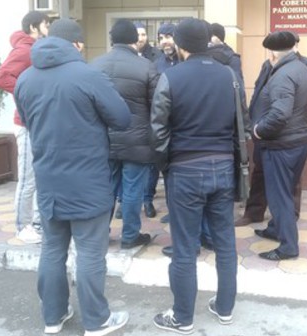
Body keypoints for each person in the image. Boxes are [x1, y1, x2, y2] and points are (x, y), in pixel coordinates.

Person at [14, 19, 131, 335]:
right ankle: (96, 321)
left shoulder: (25, 79)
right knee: (90, 252)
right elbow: (121, 118)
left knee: (53, 249)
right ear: (77, 44)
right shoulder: (89, 75)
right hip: (88, 181)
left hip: (49, 181)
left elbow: (26, 120)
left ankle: (53, 317)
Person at [150, 18, 240, 334]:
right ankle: (225, 307)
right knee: (225, 241)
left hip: (185, 170)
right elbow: (239, 121)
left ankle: (182, 316)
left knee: (185, 246)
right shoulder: (228, 75)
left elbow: (159, 130)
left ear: (181, 44)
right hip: (224, 167)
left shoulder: (170, 77)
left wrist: (165, 166)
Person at [235, 30, 307, 227]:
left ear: (296, 45)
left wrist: (306, 116)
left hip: (288, 134)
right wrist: (254, 119)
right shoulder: (267, 64)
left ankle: (288, 217)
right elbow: (259, 90)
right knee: (259, 171)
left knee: (290, 179)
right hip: (264, 130)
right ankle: (254, 212)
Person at [91, 19, 159, 249]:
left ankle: (100, 234)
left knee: (105, 189)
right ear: (133, 40)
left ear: (112, 40)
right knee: (132, 190)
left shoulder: (95, 65)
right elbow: (158, 106)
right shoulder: (147, 67)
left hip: (104, 140)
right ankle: (130, 236)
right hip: (137, 140)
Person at [252, 31, 307, 261]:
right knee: (286, 191)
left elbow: (279, 114)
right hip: (299, 141)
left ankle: (288, 246)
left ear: (272, 52)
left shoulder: (283, 75)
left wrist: (259, 130)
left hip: (281, 145)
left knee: (280, 197)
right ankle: (275, 230)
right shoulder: (303, 69)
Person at [0, 10, 50, 244]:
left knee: (39, 177)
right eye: (46, 24)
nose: (49, 28)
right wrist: (27, 92)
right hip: (26, 124)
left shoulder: (35, 49)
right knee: (28, 179)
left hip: (37, 122)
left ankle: (36, 223)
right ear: (34, 28)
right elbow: (1, 77)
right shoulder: (25, 50)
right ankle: (22, 226)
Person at [144, 22, 180, 222]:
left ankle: (180, 211)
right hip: (162, 126)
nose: (165, 42)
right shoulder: (156, 64)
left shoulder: (184, 61)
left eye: (168, 36)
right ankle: (171, 209)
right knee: (165, 171)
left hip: (182, 125)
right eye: (161, 38)